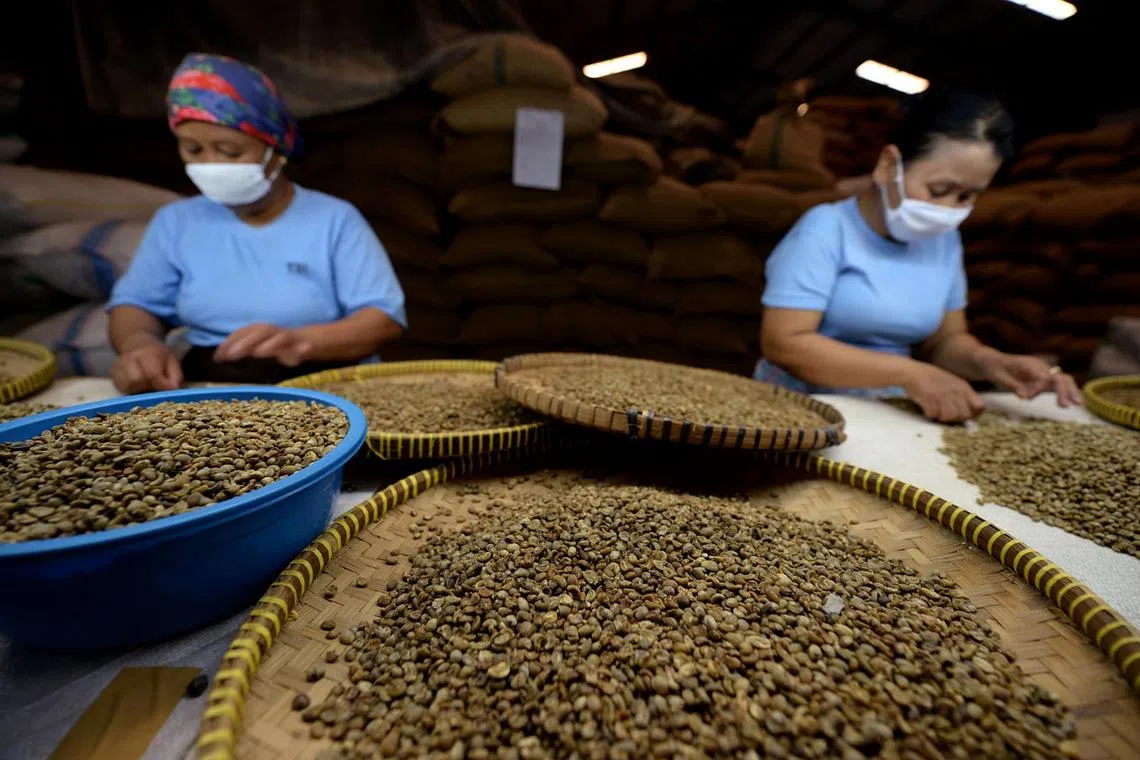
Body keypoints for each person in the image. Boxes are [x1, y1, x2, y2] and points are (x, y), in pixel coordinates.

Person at [757, 89, 1082, 422]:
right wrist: (910, 374)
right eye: (939, 190)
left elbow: (945, 341)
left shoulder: (945, 240)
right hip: (800, 410)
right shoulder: (825, 230)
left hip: (887, 413)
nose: (948, 210)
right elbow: (785, 343)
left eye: (967, 196)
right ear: (888, 166)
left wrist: (991, 362)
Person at [108, 53, 406, 392]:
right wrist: (139, 346)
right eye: (193, 149)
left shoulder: (334, 220)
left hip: (324, 382)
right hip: (212, 382)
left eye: (230, 152)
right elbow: (135, 305)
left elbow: (383, 320)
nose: (211, 164)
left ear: (275, 148)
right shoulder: (176, 222)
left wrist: (300, 342)